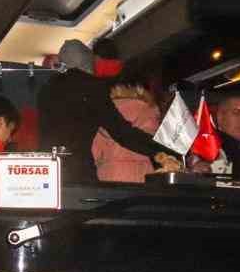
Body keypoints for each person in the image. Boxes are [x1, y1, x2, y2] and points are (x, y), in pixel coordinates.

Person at [37, 39, 182, 181]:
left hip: (48, 170)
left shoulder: (46, 90)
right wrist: (161, 152)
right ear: (88, 62)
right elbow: (122, 132)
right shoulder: (91, 88)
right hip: (79, 173)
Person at [92, 82, 162, 182]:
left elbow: (95, 148)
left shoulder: (107, 111)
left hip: (108, 173)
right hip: (141, 172)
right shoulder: (148, 110)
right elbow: (152, 142)